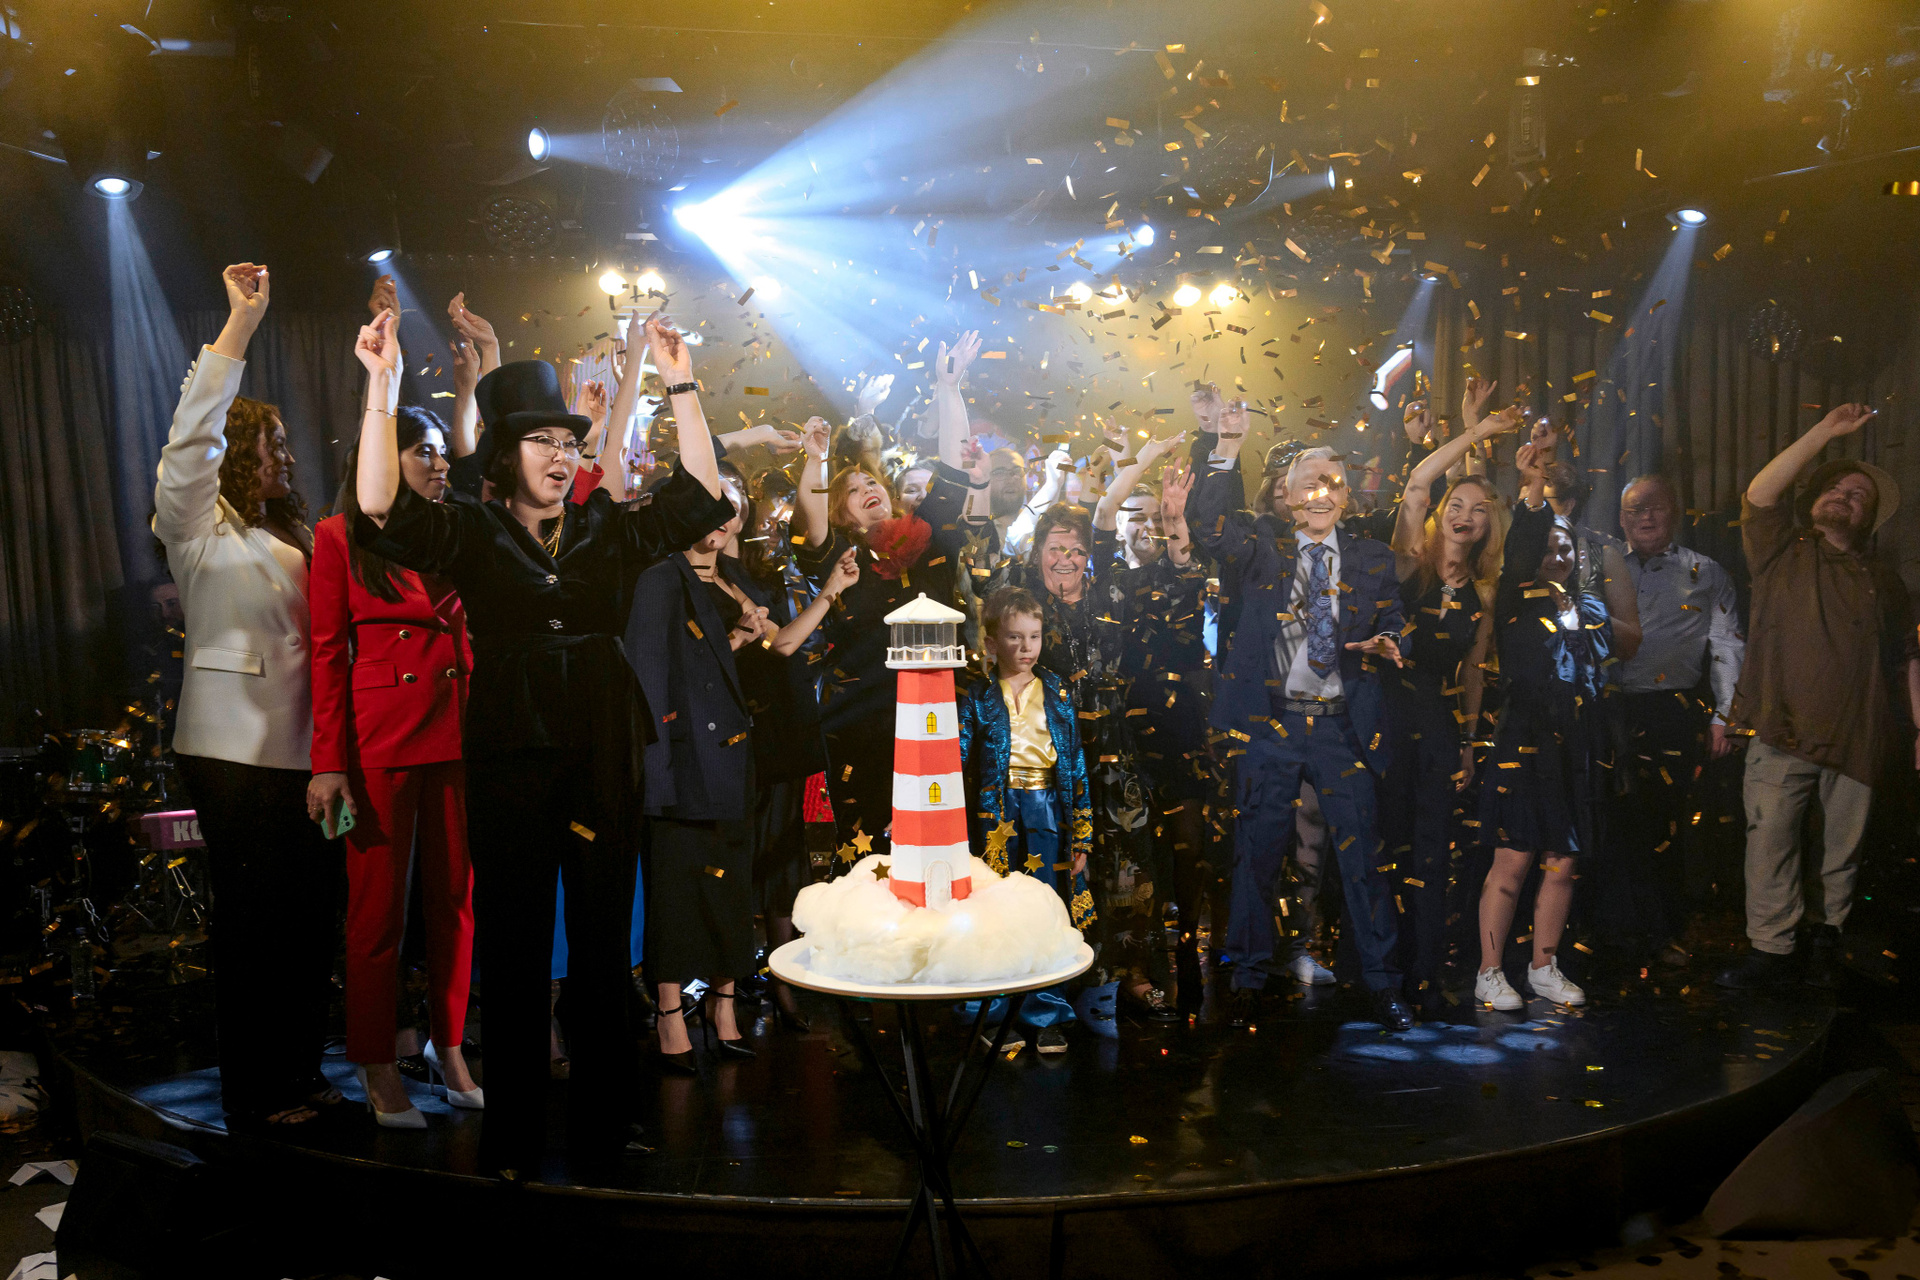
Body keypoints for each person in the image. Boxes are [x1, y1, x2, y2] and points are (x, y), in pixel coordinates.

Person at [352, 309, 733, 1173]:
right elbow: (377, 506)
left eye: (569, 442)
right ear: (505, 454)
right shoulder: (470, 528)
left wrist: (680, 381)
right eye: (542, 441)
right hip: (509, 745)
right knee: (515, 944)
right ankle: (515, 1135)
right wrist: (381, 385)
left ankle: (610, 1123)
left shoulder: (606, 528)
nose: (561, 455)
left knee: (602, 943)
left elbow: (702, 497)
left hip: (602, 741)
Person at [152, 263, 342, 1129]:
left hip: (309, 755)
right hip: (233, 754)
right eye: (273, 444)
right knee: (255, 928)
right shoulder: (195, 524)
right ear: (237, 452)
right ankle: (255, 1095)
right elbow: (190, 437)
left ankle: (301, 1071)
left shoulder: (294, 532)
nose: (288, 457)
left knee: (308, 923)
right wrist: (240, 327)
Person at [629, 465, 858, 1070]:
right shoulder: (659, 579)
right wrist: (658, 772)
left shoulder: (735, 578)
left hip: (739, 753)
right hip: (686, 759)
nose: (724, 516)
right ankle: (670, 1014)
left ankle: (724, 1005)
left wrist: (826, 592)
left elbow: (776, 645)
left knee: (731, 887)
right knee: (678, 888)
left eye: (731, 505)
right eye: (712, 503)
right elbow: (654, 679)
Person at [1190, 419, 1413, 1031]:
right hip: (1271, 725)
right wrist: (1226, 448)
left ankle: (1383, 985)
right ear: (1286, 496)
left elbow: (1395, 617)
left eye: (1333, 482)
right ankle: (1247, 978)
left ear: (1347, 497)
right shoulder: (1262, 547)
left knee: (1363, 859)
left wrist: (1392, 639)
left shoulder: (1371, 557)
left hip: (1343, 726)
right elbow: (1209, 525)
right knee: (1256, 855)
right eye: (1308, 482)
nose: (1321, 492)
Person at [308, 405, 479, 1127]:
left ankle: (450, 1048)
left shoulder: (456, 528)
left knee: (456, 905)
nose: (439, 464)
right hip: (381, 739)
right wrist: (327, 764)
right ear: (381, 456)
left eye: (441, 451)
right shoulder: (338, 535)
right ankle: (376, 1061)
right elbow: (325, 653)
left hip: (460, 730)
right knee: (376, 915)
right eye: (421, 451)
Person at [1717, 406, 1920, 990]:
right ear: (1812, 499)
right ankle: (1772, 950)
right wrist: (1824, 433)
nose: (1843, 497)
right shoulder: (1783, 547)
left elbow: (1907, 659)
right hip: (1782, 724)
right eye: (1833, 488)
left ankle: (1826, 941)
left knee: (1842, 851)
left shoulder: (1885, 580)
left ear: (1870, 517)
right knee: (1771, 840)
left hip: (1861, 732)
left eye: (1858, 496)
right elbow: (1760, 493)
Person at [793, 332, 995, 866]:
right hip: (866, 729)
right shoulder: (840, 559)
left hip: (940, 717)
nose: (868, 489)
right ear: (841, 514)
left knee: (942, 851)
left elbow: (952, 469)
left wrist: (948, 388)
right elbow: (810, 516)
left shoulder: (929, 534)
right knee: (872, 866)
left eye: (871, 482)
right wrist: (816, 461)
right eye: (852, 490)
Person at [1386, 385, 1517, 1013]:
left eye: (1479, 509)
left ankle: (1425, 975)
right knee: (1388, 847)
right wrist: (1477, 431)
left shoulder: (1483, 593)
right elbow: (1417, 482)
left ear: (1490, 524)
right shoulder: (1411, 561)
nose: (1466, 515)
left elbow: (1473, 674)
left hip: (1440, 726)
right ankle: (1378, 971)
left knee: (1435, 851)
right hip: (1387, 717)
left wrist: (1468, 744)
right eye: (1456, 504)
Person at [1472, 442, 1615, 1012]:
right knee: (1513, 859)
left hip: (1574, 743)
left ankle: (1543, 967)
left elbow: (1602, 661)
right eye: (1548, 547)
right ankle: (1489, 972)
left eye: (1566, 548)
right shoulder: (1514, 596)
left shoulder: (1588, 607)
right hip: (1523, 739)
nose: (1556, 555)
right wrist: (1533, 485)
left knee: (1563, 861)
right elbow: (1525, 544)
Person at [1604, 472, 1745, 970]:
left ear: (1676, 513)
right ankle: (1607, 933)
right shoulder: (1600, 566)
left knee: (1664, 824)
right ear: (1621, 518)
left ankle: (1664, 933)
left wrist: (1725, 715)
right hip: (1605, 709)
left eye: (1655, 507)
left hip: (1671, 711)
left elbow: (1726, 645)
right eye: (1634, 509)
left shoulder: (1706, 572)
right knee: (1607, 823)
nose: (1644, 516)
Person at [954, 587, 1096, 1054]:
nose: (1026, 647)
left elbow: (1074, 761)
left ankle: (1047, 1010)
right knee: (994, 909)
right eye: (1014, 637)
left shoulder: (1057, 690)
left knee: (1045, 908)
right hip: (995, 815)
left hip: (1047, 810)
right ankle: (993, 1012)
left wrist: (1082, 835)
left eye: (1033, 636)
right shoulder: (978, 694)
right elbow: (956, 758)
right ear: (992, 642)